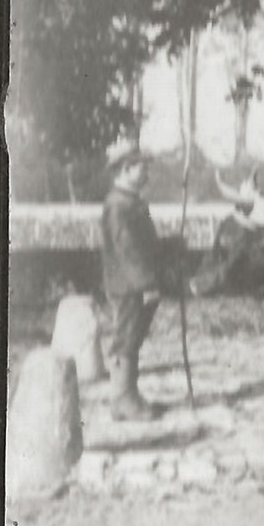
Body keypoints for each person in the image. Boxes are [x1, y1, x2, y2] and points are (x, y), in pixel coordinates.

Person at [100, 140, 170, 421]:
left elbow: (144, 245)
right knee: (127, 337)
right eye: (142, 167)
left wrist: (172, 245)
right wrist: (147, 284)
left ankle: (128, 395)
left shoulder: (130, 202)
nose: (147, 173)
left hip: (134, 282)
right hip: (128, 285)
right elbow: (127, 250)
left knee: (133, 335)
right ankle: (122, 399)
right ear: (126, 169)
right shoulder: (118, 206)